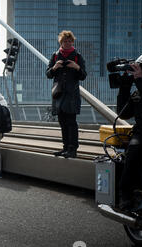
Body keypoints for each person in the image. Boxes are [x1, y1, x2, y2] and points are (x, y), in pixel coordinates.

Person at [116, 50, 142, 209]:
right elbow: (124, 113)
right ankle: (124, 195)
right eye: (141, 66)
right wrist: (124, 88)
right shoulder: (139, 89)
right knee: (132, 154)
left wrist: (139, 80)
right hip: (141, 132)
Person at [46, 30, 86, 158]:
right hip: (58, 95)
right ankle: (65, 148)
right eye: (65, 41)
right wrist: (54, 68)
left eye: (70, 41)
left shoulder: (77, 56)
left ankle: (72, 149)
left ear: (72, 42)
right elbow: (48, 74)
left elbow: (83, 76)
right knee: (62, 122)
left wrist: (77, 67)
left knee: (71, 122)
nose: (67, 43)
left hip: (72, 95)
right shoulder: (55, 55)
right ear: (61, 42)